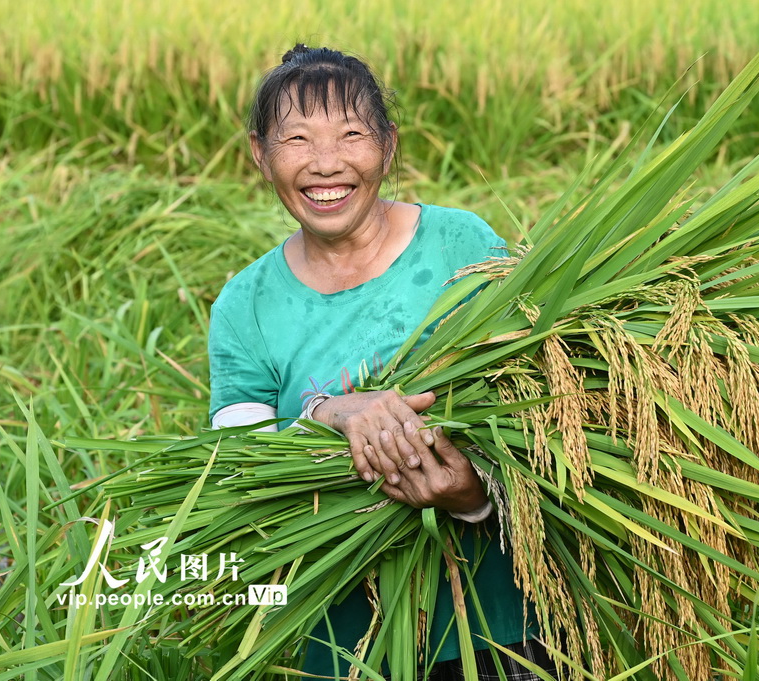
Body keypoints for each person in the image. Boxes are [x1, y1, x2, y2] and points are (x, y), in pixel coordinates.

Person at [208, 44, 556, 679]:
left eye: (351, 134)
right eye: (297, 139)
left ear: (388, 146)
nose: (326, 164)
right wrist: (329, 411)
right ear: (260, 154)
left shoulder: (464, 245)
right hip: (348, 649)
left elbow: (548, 418)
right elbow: (241, 475)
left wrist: (472, 495)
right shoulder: (245, 306)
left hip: (500, 635)